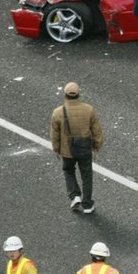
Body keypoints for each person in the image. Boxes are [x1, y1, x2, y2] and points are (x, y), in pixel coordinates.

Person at [50, 82, 104, 214]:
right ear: (79, 94)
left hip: (67, 150)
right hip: (85, 148)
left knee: (68, 170)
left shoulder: (58, 113)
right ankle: (87, 204)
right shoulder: (89, 110)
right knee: (86, 175)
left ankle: (74, 195)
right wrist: (97, 144)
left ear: (65, 95)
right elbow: (97, 130)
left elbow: (54, 134)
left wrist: (56, 149)